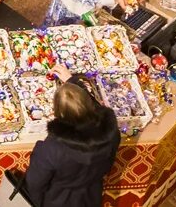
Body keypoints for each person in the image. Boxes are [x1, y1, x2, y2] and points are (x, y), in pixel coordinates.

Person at [21, 78, 121, 206]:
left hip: (57, 200)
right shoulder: (110, 134)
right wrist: (73, 81)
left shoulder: (51, 149)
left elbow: (35, 184)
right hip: (91, 196)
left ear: (59, 113)